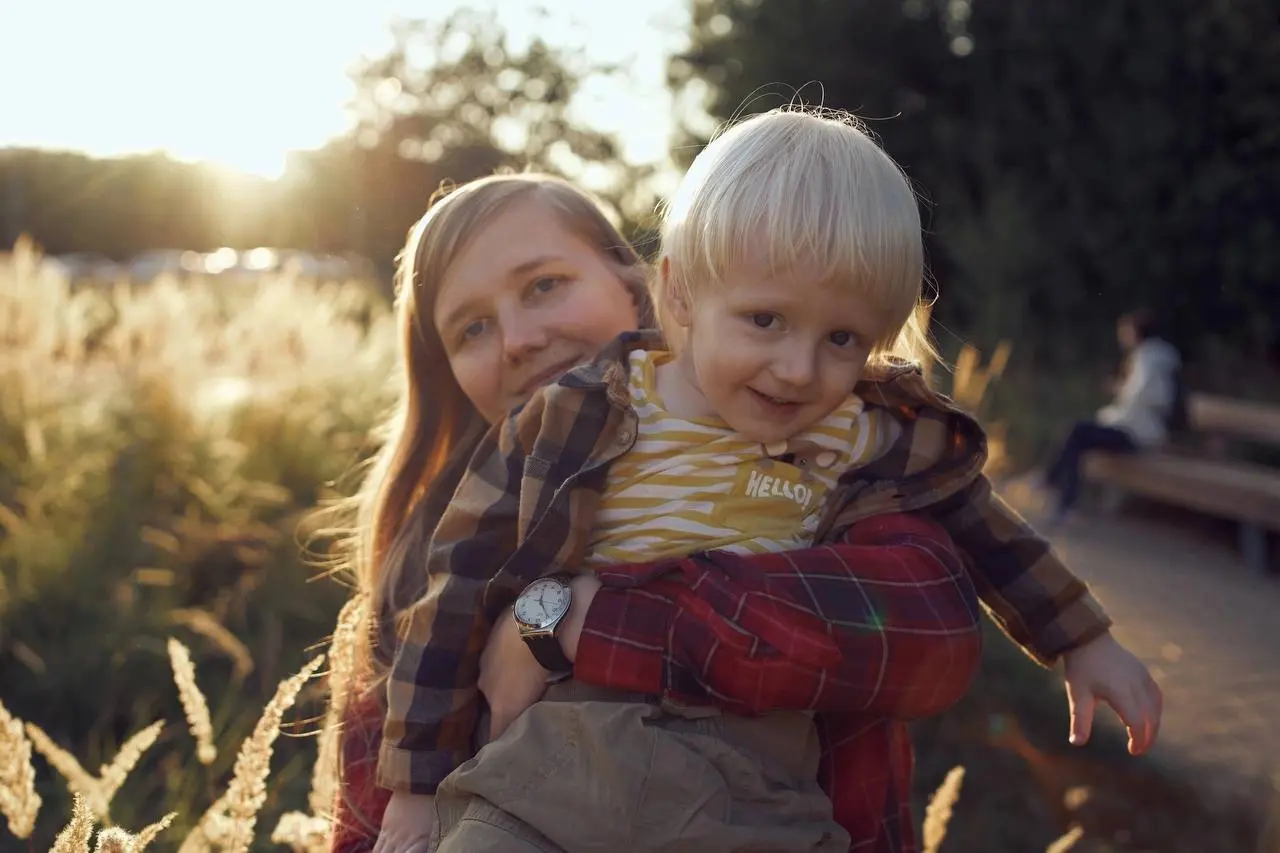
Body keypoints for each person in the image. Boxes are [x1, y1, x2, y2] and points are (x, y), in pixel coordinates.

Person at [370, 111, 1162, 853]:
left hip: (749, 785)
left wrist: (1079, 637)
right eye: (765, 321)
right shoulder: (577, 417)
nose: (796, 368)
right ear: (682, 291)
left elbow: (980, 527)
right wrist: (412, 785)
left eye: (841, 337)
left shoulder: (859, 430)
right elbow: (456, 585)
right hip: (549, 766)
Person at [332, 170, 984, 853]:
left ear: (640, 282)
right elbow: (370, 833)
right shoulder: (413, 592)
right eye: (472, 328)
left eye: (544, 284)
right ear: (450, 377)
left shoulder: (806, 441)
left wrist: (573, 616)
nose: (518, 337)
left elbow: (934, 632)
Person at [1044, 307, 1183, 522]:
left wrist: (1123, 389)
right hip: (1134, 429)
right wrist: (1124, 388)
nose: (1122, 337)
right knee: (1076, 436)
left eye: (1125, 331)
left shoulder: (1149, 360)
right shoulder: (1152, 358)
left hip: (1137, 434)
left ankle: (1054, 489)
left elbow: (1148, 397)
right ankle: (1058, 494)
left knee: (1076, 432)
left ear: (1137, 332)